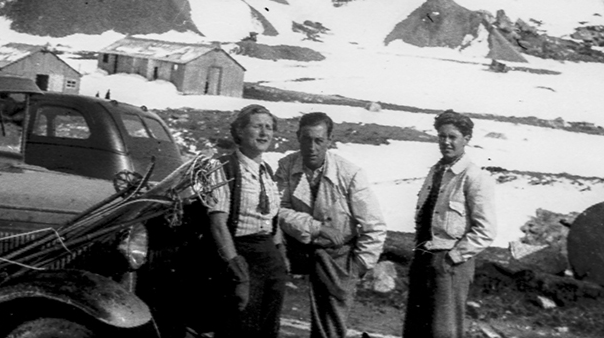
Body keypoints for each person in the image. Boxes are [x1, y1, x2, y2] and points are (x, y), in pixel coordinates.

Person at [275, 112, 387, 338]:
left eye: (319, 140)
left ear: (329, 140)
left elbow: (374, 226)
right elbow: (277, 209)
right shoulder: (287, 165)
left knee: (330, 326)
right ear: (298, 137)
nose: (312, 147)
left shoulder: (350, 173)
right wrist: (317, 227)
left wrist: (359, 265)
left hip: (338, 253)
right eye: (306, 139)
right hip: (298, 246)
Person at [403, 110, 497, 338]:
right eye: (442, 136)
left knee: (444, 330)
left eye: (452, 137)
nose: (446, 142)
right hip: (423, 260)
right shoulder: (436, 172)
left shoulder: (474, 177)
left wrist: (453, 257)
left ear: (466, 139)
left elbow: (486, 230)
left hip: (450, 265)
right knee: (416, 329)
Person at [206, 104, 287, 338]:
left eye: (269, 127)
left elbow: (273, 218)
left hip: (269, 256)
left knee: (268, 327)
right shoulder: (223, 167)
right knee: (240, 325)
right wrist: (236, 269)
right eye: (257, 126)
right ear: (240, 131)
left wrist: (280, 253)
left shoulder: (267, 171)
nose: (264, 133)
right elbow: (218, 224)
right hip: (241, 255)